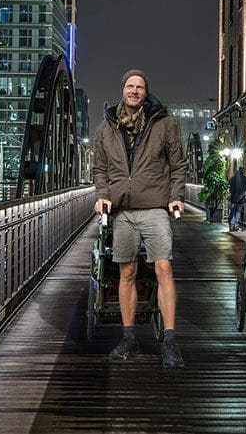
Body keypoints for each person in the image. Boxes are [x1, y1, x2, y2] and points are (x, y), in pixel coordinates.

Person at [92, 68, 187, 368]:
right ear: (123, 89)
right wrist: (102, 194)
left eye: (140, 87)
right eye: (130, 86)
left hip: (155, 207)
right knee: (127, 273)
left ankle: (170, 340)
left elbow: (178, 165)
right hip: (122, 210)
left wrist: (176, 197)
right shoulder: (105, 129)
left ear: (146, 92)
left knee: (163, 267)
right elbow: (100, 169)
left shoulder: (165, 124)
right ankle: (129, 336)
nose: (134, 91)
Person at [228, 167, 246, 231]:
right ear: (242, 172)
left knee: (232, 211)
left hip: (233, 197)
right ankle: (236, 225)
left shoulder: (233, 179)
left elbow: (229, 187)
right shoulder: (245, 179)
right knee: (238, 211)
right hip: (241, 198)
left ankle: (232, 225)